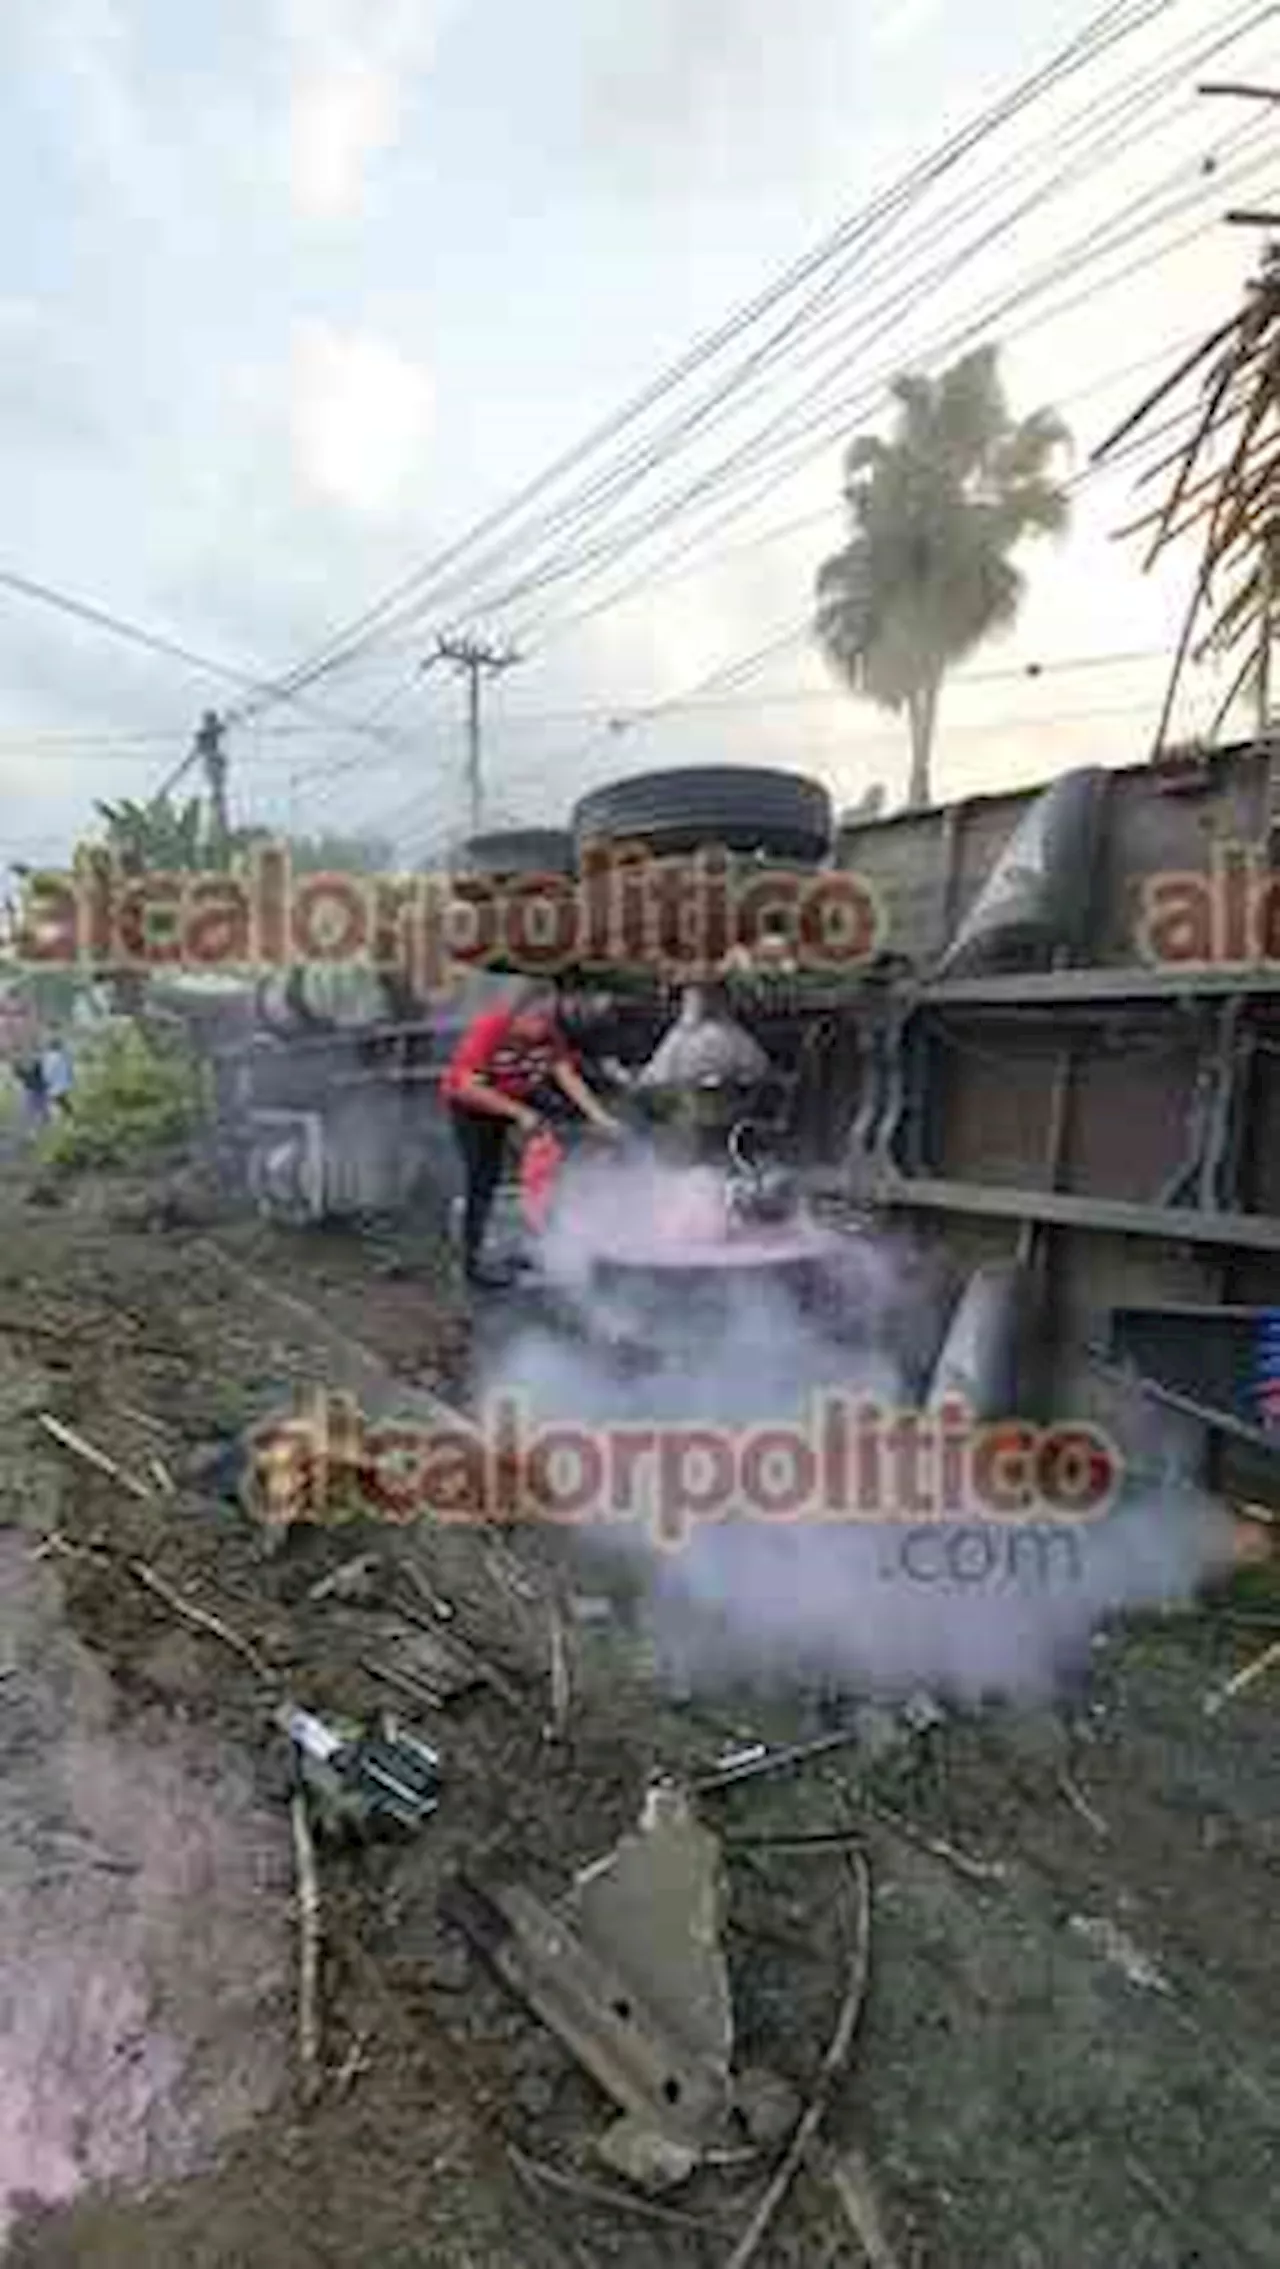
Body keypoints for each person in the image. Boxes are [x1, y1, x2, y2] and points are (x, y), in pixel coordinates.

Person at [441, 981, 621, 1287]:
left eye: (548, 1018)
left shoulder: (548, 1032)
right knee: (483, 1178)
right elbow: (468, 1086)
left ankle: (544, 1242)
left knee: (556, 1151)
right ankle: (472, 1264)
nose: (543, 1027)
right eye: (537, 1018)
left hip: (520, 1091)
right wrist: (520, 1114)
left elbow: (565, 1074)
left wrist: (599, 1117)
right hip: (472, 1104)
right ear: (519, 1013)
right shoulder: (492, 1027)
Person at [41, 1034, 73, 1116]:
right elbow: (69, 1070)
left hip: (54, 1085)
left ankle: (66, 1116)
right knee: (61, 1102)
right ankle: (69, 1116)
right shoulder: (63, 1056)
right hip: (63, 1084)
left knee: (55, 1102)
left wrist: (46, 1081)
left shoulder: (49, 1057)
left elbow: (47, 1073)